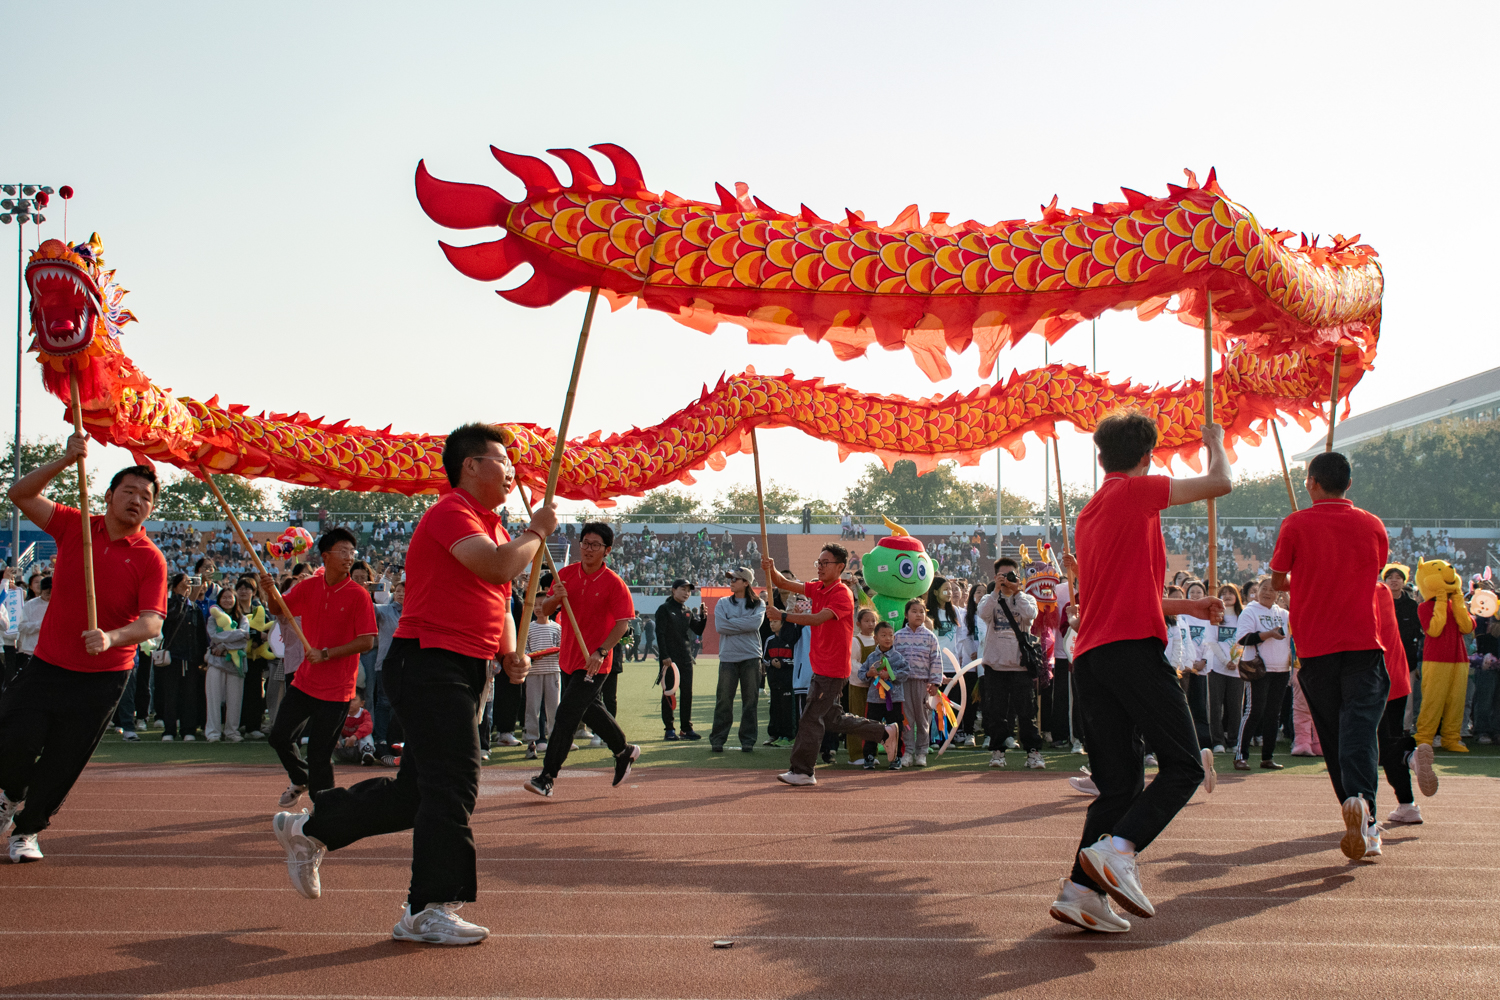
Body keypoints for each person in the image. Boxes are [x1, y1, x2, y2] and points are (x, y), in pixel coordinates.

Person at [271, 422, 558, 946]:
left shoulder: (494, 527)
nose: (512, 469)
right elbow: (496, 569)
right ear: (471, 466)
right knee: (455, 782)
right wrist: (536, 532)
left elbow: (500, 599)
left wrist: (510, 651)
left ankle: (313, 829)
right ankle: (428, 907)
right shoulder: (453, 512)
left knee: (416, 794)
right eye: (502, 459)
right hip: (430, 661)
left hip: (464, 667)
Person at [1047, 411, 1228, 935]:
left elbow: (1123, 591)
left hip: (1094, 658)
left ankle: (1081, 891)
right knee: (1185, 766)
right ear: (1148, 456)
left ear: (1101, 456)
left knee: (1120, 787)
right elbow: (1221, 482)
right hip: (1130, 650)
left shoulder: (1091, 511)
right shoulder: (1136, 491)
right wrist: (1214, 443)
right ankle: (1122, 850)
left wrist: (1188, 607)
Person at [0, 440, 167, 864]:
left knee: (64, 760)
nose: (136, 500)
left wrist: (111, 637)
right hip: (47, 666)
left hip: (104, 676)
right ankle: (11, 793)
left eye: (146, 497)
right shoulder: (75, 525)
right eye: (128, 491)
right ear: (109, 495)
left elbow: (152, 622)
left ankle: (28, 830)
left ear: (151, 509)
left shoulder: (151, 559)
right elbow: (19, 495)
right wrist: (66, 459)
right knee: (14, 740)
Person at [1269, 450, 1391, 861]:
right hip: (1361, 641)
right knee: (1360, 731)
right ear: (1349, 484)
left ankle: (1355, 809)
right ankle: (1366, 814)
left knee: (1336, 734)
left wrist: (1306, 572)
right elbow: (1374, 570)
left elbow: (1277, 580)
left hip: (1317, 646)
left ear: (1311, 483)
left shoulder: (1295, 523)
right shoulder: (1372, 524)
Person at [761, 544, 897, 787]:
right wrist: (770, 569)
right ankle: (883, 733)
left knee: (811, 718)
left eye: (826, 563)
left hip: (832, 670)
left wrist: (782, 616)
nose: (820, 567)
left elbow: (816, 619)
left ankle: (803, 770)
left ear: (840, 567)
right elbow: (784, 583)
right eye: (819, 563)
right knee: (832, 719)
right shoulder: (819, 588)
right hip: (821, 667)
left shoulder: (841, 594)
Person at [262, 527, 378, 809]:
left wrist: (326, 654)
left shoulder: (357, 595)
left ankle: (325, 813)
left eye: (352, 552)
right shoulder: (309, 587)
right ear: (325, 556)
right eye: (343, 551)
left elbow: (367, 641)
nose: (349, 557)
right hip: (304, 682)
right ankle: (300, 778)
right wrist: (269, 591)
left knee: (320, 754)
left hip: (337, 691)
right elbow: (279, 610)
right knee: (279, 736)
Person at [525, 522, 640, 798]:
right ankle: (624, 750)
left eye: (595, 545)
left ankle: (547, 776)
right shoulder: (564, 575)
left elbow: (622, 625)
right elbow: (548, 609)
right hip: (568, 658)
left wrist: (601, 652)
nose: (588, 549)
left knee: (566, 715)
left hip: (594, 661)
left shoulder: (614, 583)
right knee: (590, 709)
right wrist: (558, 596)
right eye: (585, 543)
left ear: (607, 550)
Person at [1375, 581, 1438, 824]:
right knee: (1389, 738)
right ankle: (1407, 804)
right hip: (1397, 676)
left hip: (1372, 677)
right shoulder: (1384, 593)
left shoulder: (1365, 591)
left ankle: (1409, 757)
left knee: (1369, 747)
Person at [977, 559, 1044, 770]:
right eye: (1002, 575)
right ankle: (997, 752)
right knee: (996, 712)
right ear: (995, 576)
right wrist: (997, 590)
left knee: (1026, 712)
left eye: (1011, 575)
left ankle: (1033, 753)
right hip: (995, 666)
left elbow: (1030, 615)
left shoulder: (1027, 599)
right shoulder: (990, 598)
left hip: (1020, 666)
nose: (1007, 579)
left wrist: (1017, 593)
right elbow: (983, 614)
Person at [1233, 578, 1292, 770]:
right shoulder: (1250, 611)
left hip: (1281, 669)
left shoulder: (1284, 614)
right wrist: (1268, 634)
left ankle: (1268, 757)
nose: (1267, 592)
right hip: (1259, 668)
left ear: (1279, 594)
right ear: (1257, 591)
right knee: (1253, 711)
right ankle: (1240, 755)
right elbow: (1243, 639)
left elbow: (1299, 624)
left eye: (1272, 589)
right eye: (1263, 589)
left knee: (1273, 714)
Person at [710, 567, 766, 753]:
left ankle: (748, 740)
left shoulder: (759, 604)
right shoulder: (723, 602)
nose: (731, 581)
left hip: (751, 656)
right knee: (724, 700)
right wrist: (743, 624)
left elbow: (754, 624)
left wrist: (731, 623)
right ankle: (718, 739)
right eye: (731, 578)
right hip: (728, 657)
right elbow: (720, 626)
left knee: (750, 701)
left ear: (746, 582)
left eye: (736, 579)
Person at [157, 573, 206, 742]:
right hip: (173, 657)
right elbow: (169, 620)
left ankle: (188, 729)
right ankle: (169, 730)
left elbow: (201, 635)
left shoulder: (194, 608)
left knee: (190, 695)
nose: (188, 583)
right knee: (170, 694)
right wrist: (180, 600)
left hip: (191, 658)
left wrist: (202, 657)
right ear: (176, 585)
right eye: (185, 580)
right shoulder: (169, 604)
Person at [655, 579, 706, 740]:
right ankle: (669, 729)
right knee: (669, 692)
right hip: (669, 659)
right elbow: (660, 634)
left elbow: (697, 629)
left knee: (687, 693)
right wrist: (664, 656)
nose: (686, 593)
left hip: (686, 657)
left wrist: (703, 617)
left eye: (689, 591)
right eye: (683, 589)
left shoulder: (687, 610)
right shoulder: (664, 609)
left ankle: (686, 728)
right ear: (673, 590)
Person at [893, 597, 941, 768]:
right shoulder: (897, 637)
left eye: (921, 611)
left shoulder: (930, 637)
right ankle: (907, 753)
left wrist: (934, 682)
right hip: (903, 684)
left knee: (922, 719)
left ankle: (922, 752)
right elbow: (892, 660)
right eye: (914, 611)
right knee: (907, 719)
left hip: (923, 684)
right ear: (906, 615)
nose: (918, 614)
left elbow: (935, 660)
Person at [859, 622, 908, 769]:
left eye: (890, 635)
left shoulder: (898, 657)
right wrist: (869, 673)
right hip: (874, 700)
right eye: (883, 635)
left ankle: (896, 757)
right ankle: (869, 756)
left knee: (897, 728)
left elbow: (906, 673)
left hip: (895, 699)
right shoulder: (871, 657)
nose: (888, 638)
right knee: (871, 728)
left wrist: (891, 675)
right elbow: (861, 674)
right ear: (876, 638)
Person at [522, 601, 561, 760]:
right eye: (536, 605)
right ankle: (531, 742)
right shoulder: (528, 627)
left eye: (542, 604)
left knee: (553, 708)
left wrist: (553, 653)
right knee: (532, 708)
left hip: (552, 671)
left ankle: (554, 742)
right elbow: (523, 649)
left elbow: (561, 648)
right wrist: (532, 656)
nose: (538, 608)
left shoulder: (557, 628)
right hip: (534, 673)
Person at [847, 607, 880, 762]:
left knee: (874, 719)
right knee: (857, 718)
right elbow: (852, 663)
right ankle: (856, 754)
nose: (871, 624)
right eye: (866, 621)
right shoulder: (855, 641)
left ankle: (872, 753)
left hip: (876, 686)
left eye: (873, 621)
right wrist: (868, 673)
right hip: (859, 685)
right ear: (858, 624)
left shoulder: (878, 640)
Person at [16, 575, 51, 680]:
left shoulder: (59, 604)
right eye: (46, 591)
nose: (49, 594)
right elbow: (21, 627)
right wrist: (40, 625)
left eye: (51, 590)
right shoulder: (30, 605)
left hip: (51, 651)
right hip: (32, 650)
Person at [330, 692, 375, 764]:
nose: (350, 703)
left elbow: (368, 726)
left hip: (357, 743)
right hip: (342, 743)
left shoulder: (364, 713)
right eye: (348, 699)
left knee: (366, 735)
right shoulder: (341, 712)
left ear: (362, 703)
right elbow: (333, 725)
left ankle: (367, 754)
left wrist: (355, 737)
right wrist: (335, 738)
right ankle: (326, 756)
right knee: (330, 733)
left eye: (353, 700)